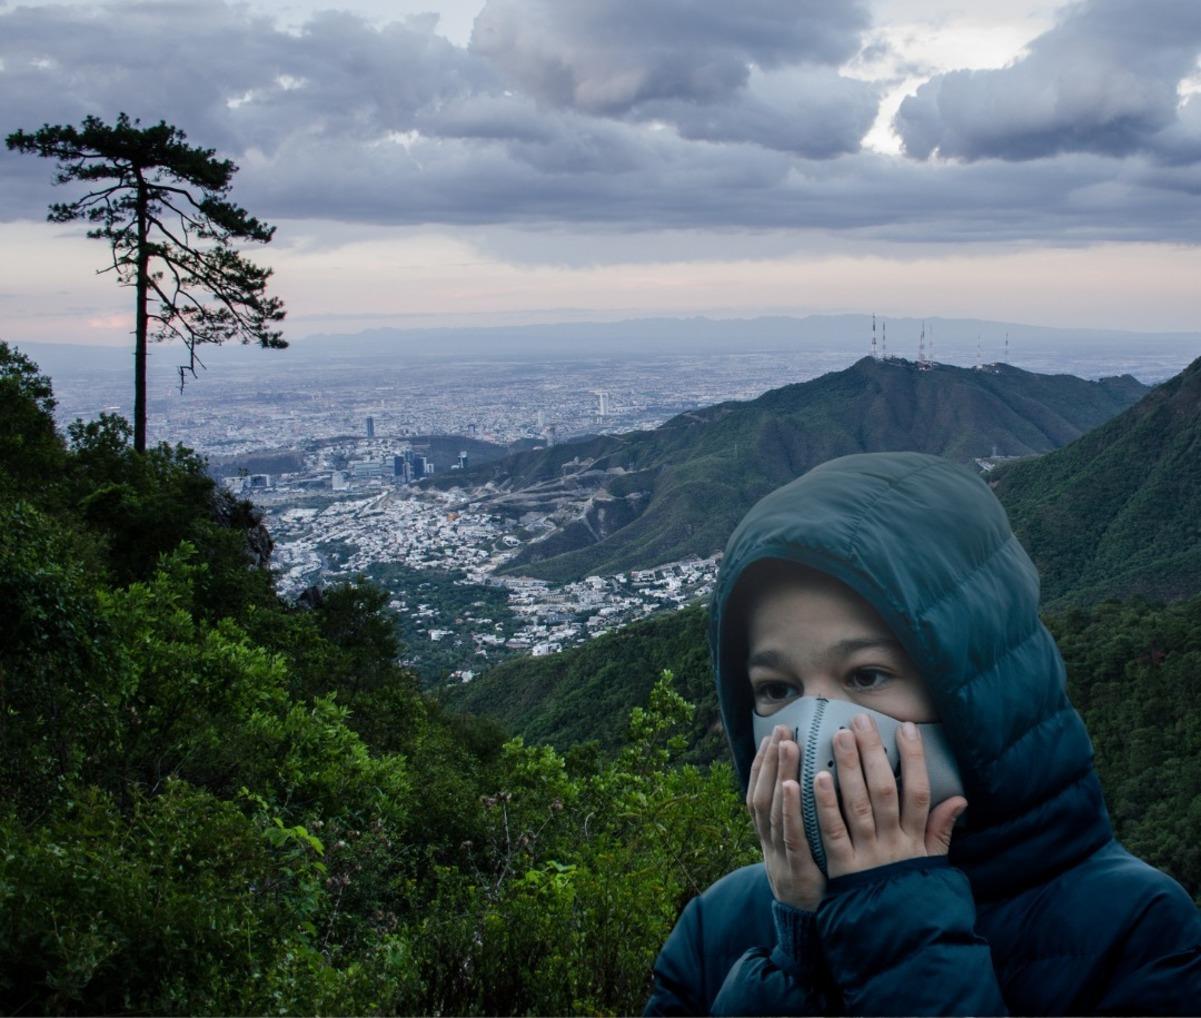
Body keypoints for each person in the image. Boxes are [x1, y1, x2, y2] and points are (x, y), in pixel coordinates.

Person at [644, 451, 1201, 1015]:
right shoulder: (713, 925)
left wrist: (898, 936)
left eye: (866, 676)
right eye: (777, 689)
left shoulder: (1140, 930)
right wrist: (798, 957)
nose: (816, 730)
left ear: (974, 686)